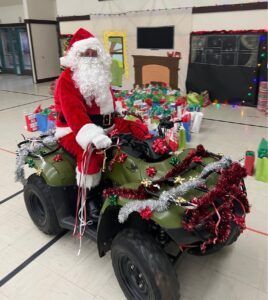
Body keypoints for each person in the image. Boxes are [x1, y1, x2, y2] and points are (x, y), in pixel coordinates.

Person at [54, 28, 118, 220]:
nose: (90, 57)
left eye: (94, 52)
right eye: (85, 53)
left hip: (105, 127)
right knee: (91, 153)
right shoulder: (66, 80)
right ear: (76, 55)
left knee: (135, 136)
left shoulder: (99, 75)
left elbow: (108, 103)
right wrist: (93, 136)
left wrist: (121, 117)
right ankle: (88, 198)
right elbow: (75, 115)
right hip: (74, 130)